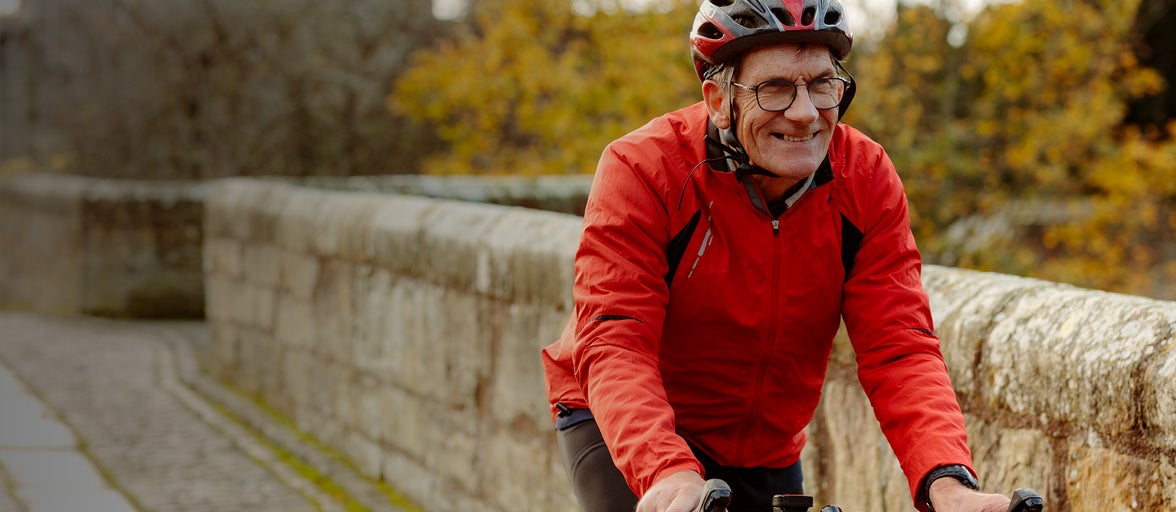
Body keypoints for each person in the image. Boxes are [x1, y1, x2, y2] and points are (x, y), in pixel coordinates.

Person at [541, 1, 1017, 511]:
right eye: (775, 89)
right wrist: (667, 471)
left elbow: (899, 347)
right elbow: (615, 338)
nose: (806, 112)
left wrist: (945, 481)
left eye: (821, 84)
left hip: (766, 446)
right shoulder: (642, 169)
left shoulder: (865, 177)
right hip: (628, 427)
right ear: (719, 100)